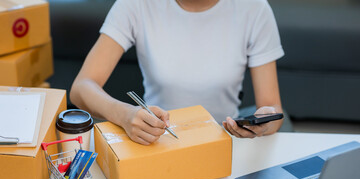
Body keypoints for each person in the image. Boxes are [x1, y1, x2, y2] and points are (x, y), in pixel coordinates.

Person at [70, 0, 285, 145]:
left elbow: (273, 111)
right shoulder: (136, 5)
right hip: (156, 142)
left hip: (227, 144)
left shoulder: (254, 8)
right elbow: (81, 87)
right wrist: (124, 114)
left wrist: (262, 125)